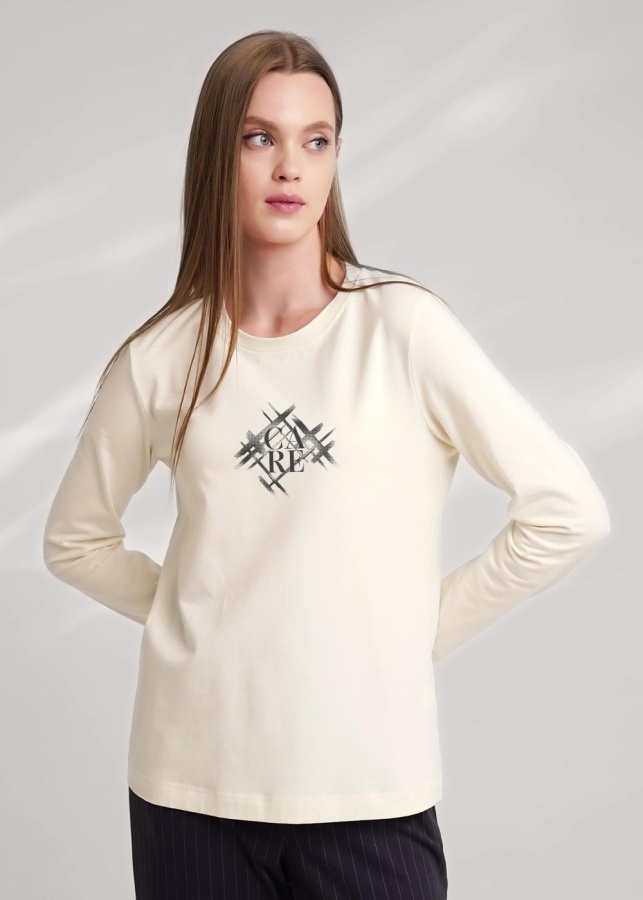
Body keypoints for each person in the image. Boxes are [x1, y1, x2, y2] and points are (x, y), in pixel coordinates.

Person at [42, 28, 611, 900]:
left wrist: (414, 632)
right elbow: (74, 541)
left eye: (315, 141)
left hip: (366, 786)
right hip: (187, 789)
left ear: (337, 157)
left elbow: (567, 512)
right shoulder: (161, 358)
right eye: (259, 138)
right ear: (217, 153)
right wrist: (209, 621)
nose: (289, 168)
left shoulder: (403, 329)